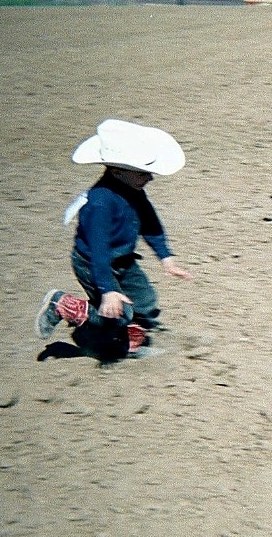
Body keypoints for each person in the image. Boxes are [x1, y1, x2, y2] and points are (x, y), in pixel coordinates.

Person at [35, 119, 193, 360]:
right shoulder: (100, 203)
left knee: (146, 300)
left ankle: (127, 336)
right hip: (93, 263)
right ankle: (63, 305)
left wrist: (166, 256)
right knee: (117, 311)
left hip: (122, 260)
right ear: (117, 171)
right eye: (142, 173)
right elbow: (98, 252)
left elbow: (149, 222)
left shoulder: (133, 190)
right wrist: (108, 290)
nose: (149, 178)